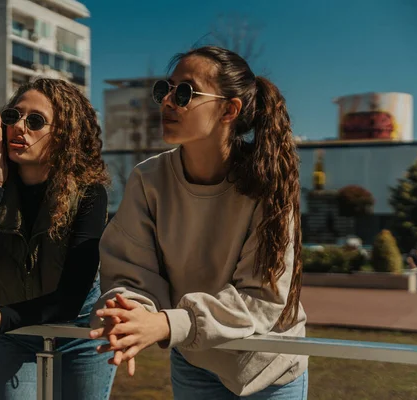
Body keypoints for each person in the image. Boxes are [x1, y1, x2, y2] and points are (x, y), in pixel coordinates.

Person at [89, 46, 308, 399]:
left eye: (185, 92)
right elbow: (131, 269)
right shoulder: (149, 179)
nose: (168, 102)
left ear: (229, 109)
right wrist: (129, 310)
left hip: (268, 369)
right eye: (165, 90)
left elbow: (260, 298)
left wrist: (165, 323)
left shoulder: (268, 183)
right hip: (195, 362)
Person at [0, 78, 116, 400]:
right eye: (12, 116)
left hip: (81, 330)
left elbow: (71, 296)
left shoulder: (88, 193)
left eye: (35, 121)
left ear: (63, 135)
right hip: (14, 333)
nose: (20, 127)